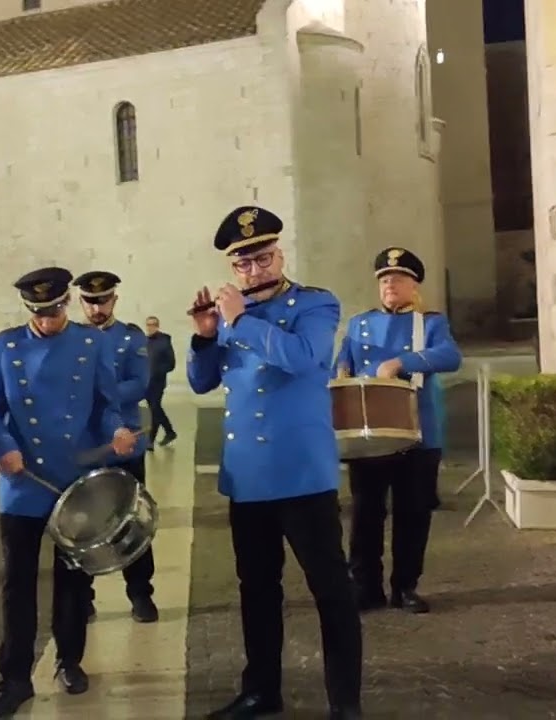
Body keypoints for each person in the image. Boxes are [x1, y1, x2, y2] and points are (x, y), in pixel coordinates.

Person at [186, 206, 362, 720]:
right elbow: (202, 382)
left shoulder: (314, 303)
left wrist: (239, 320)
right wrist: (203, 335)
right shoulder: (229, 317)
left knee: (331, 589)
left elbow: (305, 357)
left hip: (302, 473)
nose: (255, 269)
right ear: (233, 268)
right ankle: (262, 689)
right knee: (257, 590)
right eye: (243, 264)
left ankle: (344, 701)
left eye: (263, 258)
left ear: (279, 254)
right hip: (249, 478)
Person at [0, 266, 138, 718]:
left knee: (72, 581)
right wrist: (3, 447)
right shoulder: (3, 346)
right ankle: (14, 676)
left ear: (67, 302)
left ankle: (70, 660)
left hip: (74, 478)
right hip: (24, 483)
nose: (47, 321)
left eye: (54, 310)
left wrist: (119, 429)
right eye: (39, 313)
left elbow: (106, 406)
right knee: (18, 584)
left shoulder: (91, 343)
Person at [335, 247, 462, 614]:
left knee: (413, 515)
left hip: (417, 434)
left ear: (413, 286)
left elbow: (450, 356)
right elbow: (342, 362)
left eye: (398, 278)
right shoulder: (359, 324)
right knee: (365, 515)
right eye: (385, 279)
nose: (390, 284)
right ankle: (365, 587)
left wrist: (400, 362)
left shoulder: (430, 323)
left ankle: (405, 586)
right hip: (369, 434)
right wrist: (341, 369)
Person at [72, 270, 158, 623]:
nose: (97, 307)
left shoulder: (130, 337)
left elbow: (139, 383)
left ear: (114, 300)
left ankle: (141, 594)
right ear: (80, 302)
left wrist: (94, 397)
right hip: (82, 446)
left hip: (123, 443)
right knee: (80, 524)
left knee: (129, 520)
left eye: (103, 300)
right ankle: (81, 598)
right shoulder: (70, 339)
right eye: (90, 301)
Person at [143, 315, 177, 450]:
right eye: (148, 325)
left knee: (155, 408)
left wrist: (157, 371)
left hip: (158, 382)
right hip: (147, 382)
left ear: (157, 326)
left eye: (153, 324)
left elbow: (171, 364)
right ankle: (169, 433)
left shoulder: (164, 341)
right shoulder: (144, 342)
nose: (150, 327)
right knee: (154, 410)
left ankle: (151, 440)